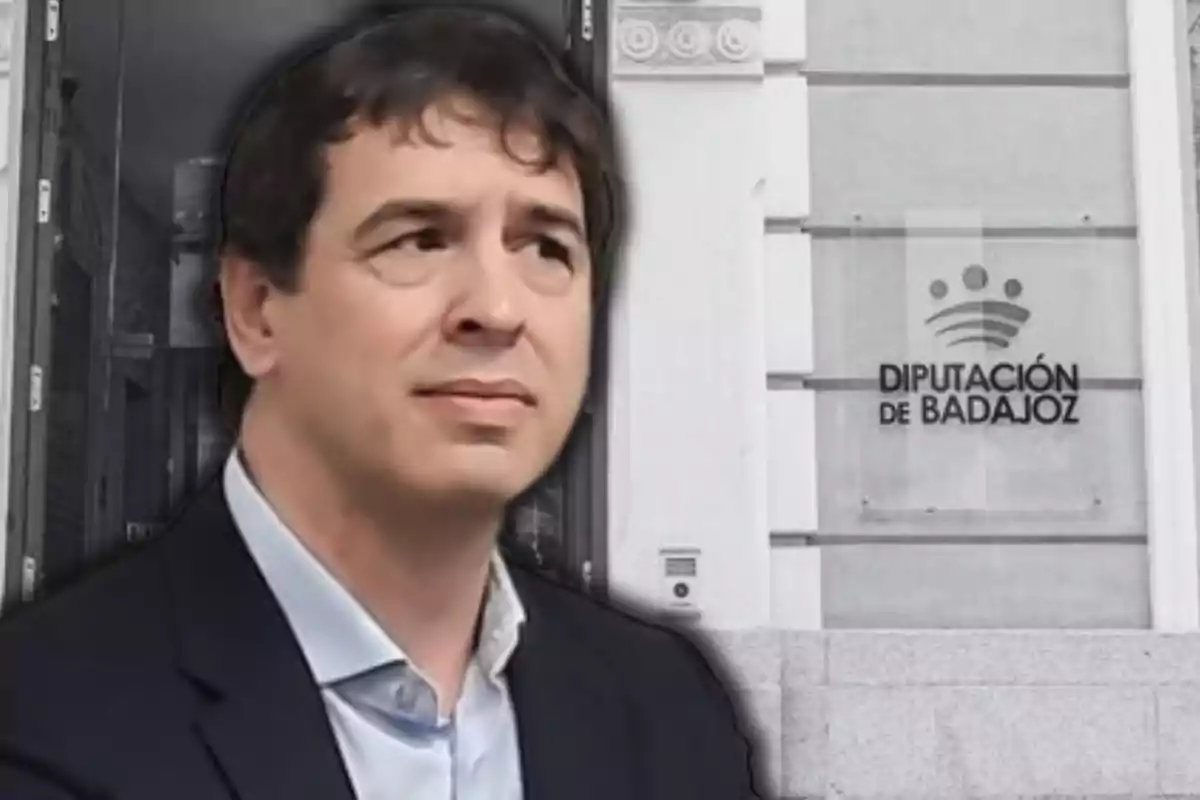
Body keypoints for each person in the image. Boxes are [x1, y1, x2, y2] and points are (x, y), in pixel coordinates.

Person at [0, 5, 763, 799]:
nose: (498, 310)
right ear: (256, 308)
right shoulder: (39, 721)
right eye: (419, 239)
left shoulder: (672, 714)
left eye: (546, 247)